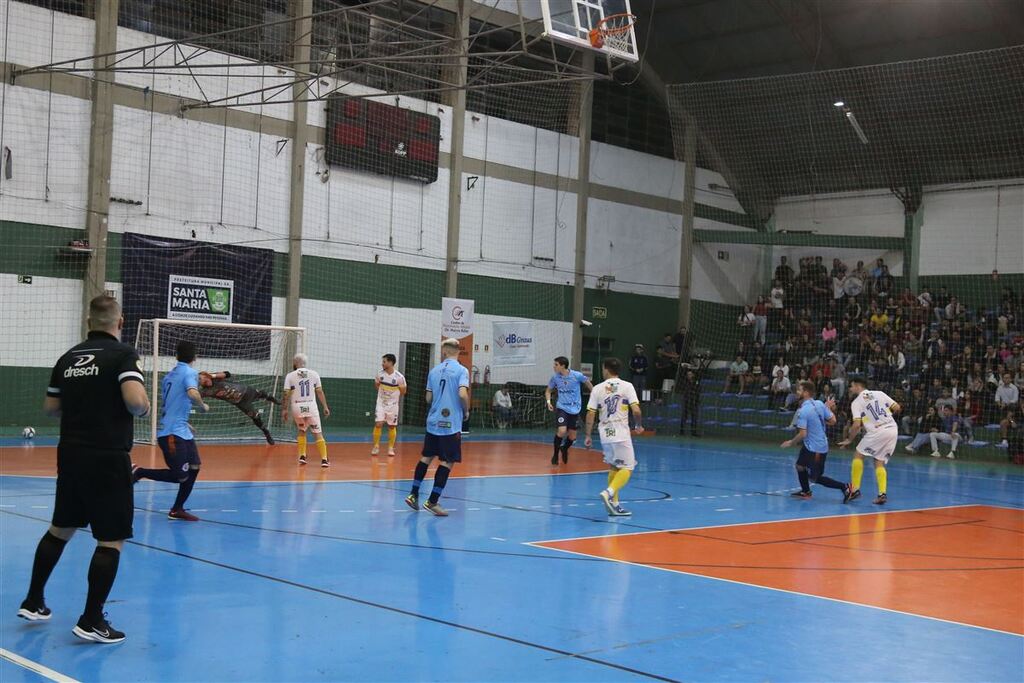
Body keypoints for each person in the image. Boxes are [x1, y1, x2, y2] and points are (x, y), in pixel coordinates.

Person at [17, 296, 149, 644]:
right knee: (111, 539)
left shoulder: (68, 358)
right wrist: (145, 409)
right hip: (107, 457)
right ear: (119, 322)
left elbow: (50, 408)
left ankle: (33, 601)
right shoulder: (123, 355)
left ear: (87, 322)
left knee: (60, 528)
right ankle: (92, 619)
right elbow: (135, 402)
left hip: (71, 455)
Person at [135, 341, 210, 521]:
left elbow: (172, 403)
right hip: (171, 434)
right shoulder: (190, 373)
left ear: (176, 356)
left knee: (194, 467)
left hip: (181, 430)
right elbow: (192, 393)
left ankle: (177, 509)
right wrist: (202, 406)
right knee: (179, 476)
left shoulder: (169, 375)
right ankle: (140, 472)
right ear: (195, 357)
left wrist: (185, 423)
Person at [404, 338, 469, 517]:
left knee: (426, 457)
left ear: (444, 351)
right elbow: (463, 394)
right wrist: (466, 410)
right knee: (447, 461)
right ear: (457, 351)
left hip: (433, 421)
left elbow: (428, 399)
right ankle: (432, 501)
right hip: (450, 424)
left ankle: (413, 494)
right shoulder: (462, 370)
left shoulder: (433, 371)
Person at [584, 358, 643, 517]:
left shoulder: (597, 388)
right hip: (621, 432)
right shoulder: (627, 386)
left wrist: (588, 435)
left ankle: (615, 505)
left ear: (606, 369)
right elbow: (636, 411)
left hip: (605, 433)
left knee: (615, 467)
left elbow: (590, 413)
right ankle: (609, 492)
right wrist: (638, 425)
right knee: (628, 467)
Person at [781, 381, 851, 501]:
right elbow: (833, 421)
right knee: (800, 466)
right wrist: (827, 409)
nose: (797, 392)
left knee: (815, 478)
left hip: (816, 448)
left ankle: (845, 487)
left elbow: (803, 434)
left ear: (806, 393)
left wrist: (791, 442)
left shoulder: (803, 411)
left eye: (799, 390)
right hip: (810, 445)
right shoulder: (819, 404)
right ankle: (806, 491)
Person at [838, 376, 901, 505]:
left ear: (857, 385)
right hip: (892, 429)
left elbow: (856, 425)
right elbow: (897, 408)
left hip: (877, 431)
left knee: (858, 455)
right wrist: (883, 416)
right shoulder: (879, 393)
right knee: (879, 462)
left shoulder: (856, 402)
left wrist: (849, 440)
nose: (850, 388)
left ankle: (854, 490)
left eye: (851, 386)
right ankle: (882, 494)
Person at [198, 370, 280, 444]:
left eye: (205, 378)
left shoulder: (215, 378)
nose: (206, 381)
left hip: (246, 391)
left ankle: (270, 398)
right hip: (241, 402)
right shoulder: (205, 391)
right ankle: (266, 432)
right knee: (255, 416)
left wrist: (212, 375)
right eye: (202, 381)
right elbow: (194, 396)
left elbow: (227, 374)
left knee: (261, 394)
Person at [282, 353, 331, 467]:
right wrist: (325, 406)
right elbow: (319, 392)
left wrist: (284, 409)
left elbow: (286, 394)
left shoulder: (290, 376)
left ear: (295, 363)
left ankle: (302, 456)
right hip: (311, 407)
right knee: (317, 433)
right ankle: (324, 459)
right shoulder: (314, 374)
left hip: (297, 408)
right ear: (305, 363)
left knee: (302, 430)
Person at [545, 356, 593, 465]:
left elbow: (588, 383)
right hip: (562, 407)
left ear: (563, 366)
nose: (554, 366)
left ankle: (564, 448)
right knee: (562, 431)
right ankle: (555, 455)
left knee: (572, 437)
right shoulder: (555, 378)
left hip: (575, 409)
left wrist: (593, 394)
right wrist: (548, 402)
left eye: (556, 364)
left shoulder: (576, 375)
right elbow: (548, 391)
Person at [371, 353, 407, 456]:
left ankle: (391, 448)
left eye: (384, 361)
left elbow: (403, 391)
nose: (382, 363)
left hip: (393, 405)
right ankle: (376, 446)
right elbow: (377, 385)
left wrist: (393, 395)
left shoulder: (399, 377)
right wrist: (383, 395)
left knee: (391, 426)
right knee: (379, 423)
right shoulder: (379, 374)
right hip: (381, 403)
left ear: (391, 363)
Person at [678, 369, 701, 437]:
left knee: (694, 417)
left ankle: (693, 432)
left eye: (690, 374)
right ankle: (681, 431)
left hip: (694, 401)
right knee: (684, 416)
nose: (689, 376)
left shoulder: (697, 382)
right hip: (686, 401)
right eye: (688, 374)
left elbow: (698, 390)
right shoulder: (685, 382)